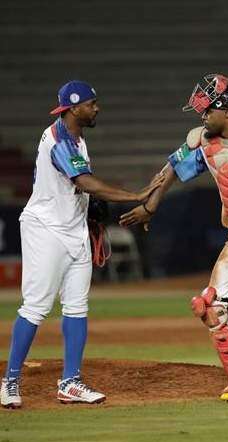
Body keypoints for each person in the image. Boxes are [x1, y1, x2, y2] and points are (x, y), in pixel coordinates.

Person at [119, 74, 228, 404]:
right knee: (209, 306)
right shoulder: (204, 142)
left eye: (207, 112)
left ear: (227, 111)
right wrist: (152, 205)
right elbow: (173, 166)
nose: (202, 118)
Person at [0, 81, 163, 409]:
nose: (96, 108)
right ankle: (10, 381)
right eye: (91, 104)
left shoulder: (76, 136)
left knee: (77, 306)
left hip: (73, 228)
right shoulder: (59, 138)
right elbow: (83, 181)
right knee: (36, 306)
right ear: (74, 108)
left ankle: (70, 382)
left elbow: (79, 188)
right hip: (46, 229)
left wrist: (89, 212)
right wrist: (135, 195)